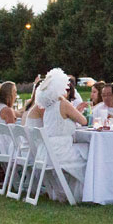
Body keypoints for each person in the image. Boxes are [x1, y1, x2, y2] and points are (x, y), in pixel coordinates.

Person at [34, 69, 89, 200]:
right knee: (90, 153)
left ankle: (66, 192)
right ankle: (86, 192)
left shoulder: (48, 107)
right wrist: (76, 112)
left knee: (83, 150)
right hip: (61, 151)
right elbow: (84, 121)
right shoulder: (63, 103)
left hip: (46, 151)